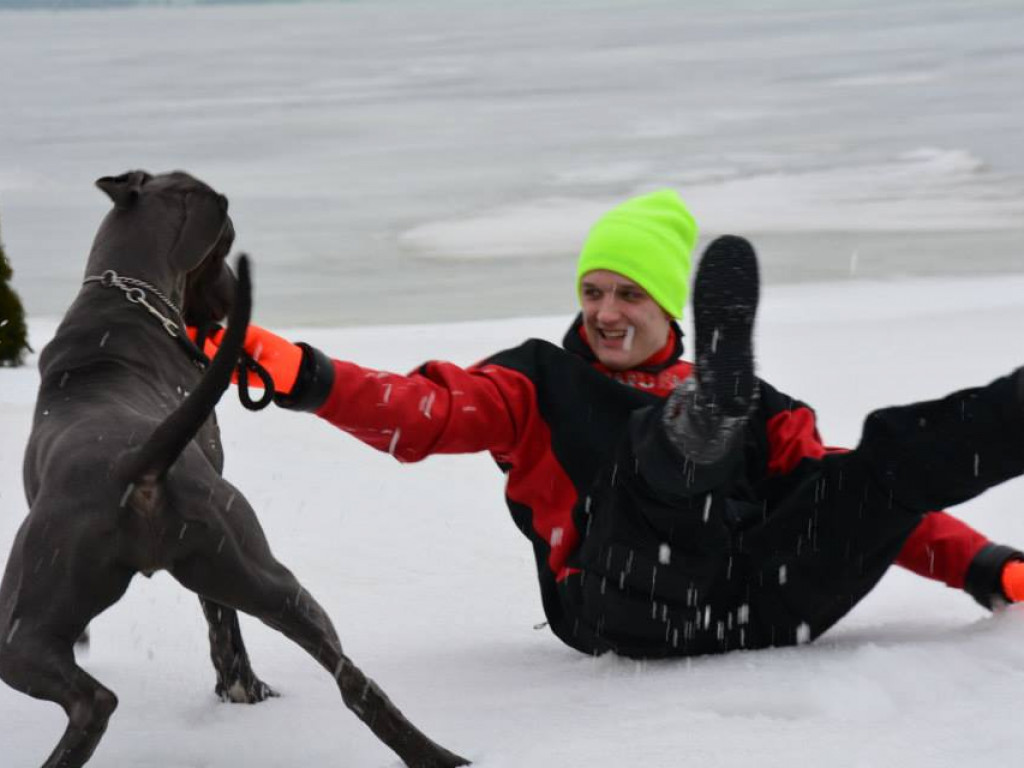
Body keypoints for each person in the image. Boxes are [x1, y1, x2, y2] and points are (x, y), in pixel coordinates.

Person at [194, 189, 1024, 658]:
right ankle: (693, 430)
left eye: (628, 294)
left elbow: (845, 487)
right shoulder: (537, 382)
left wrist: (985, 565)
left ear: (670, 307)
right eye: (592, 291)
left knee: (872, 471)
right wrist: (301, 371)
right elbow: (427, 415)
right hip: (621, 599)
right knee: (650, 459)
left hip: (753, 606)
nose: (604, 311)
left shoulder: (759, 405)